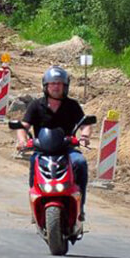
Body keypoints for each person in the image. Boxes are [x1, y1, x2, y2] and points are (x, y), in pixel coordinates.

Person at [16, 66, 93, 220]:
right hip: (42, 149)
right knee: (33, 162)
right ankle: (35, 202)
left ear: (65, 86)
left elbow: (85, 124)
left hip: (67, 149)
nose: (56, 87)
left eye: (60, 83)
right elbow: (23, 126)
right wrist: (22, 140)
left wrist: (84, 136)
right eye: (53, 83)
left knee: (81, 162)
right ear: (46, 86)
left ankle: (80, 206)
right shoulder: (36, 105)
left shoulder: (72, 105)